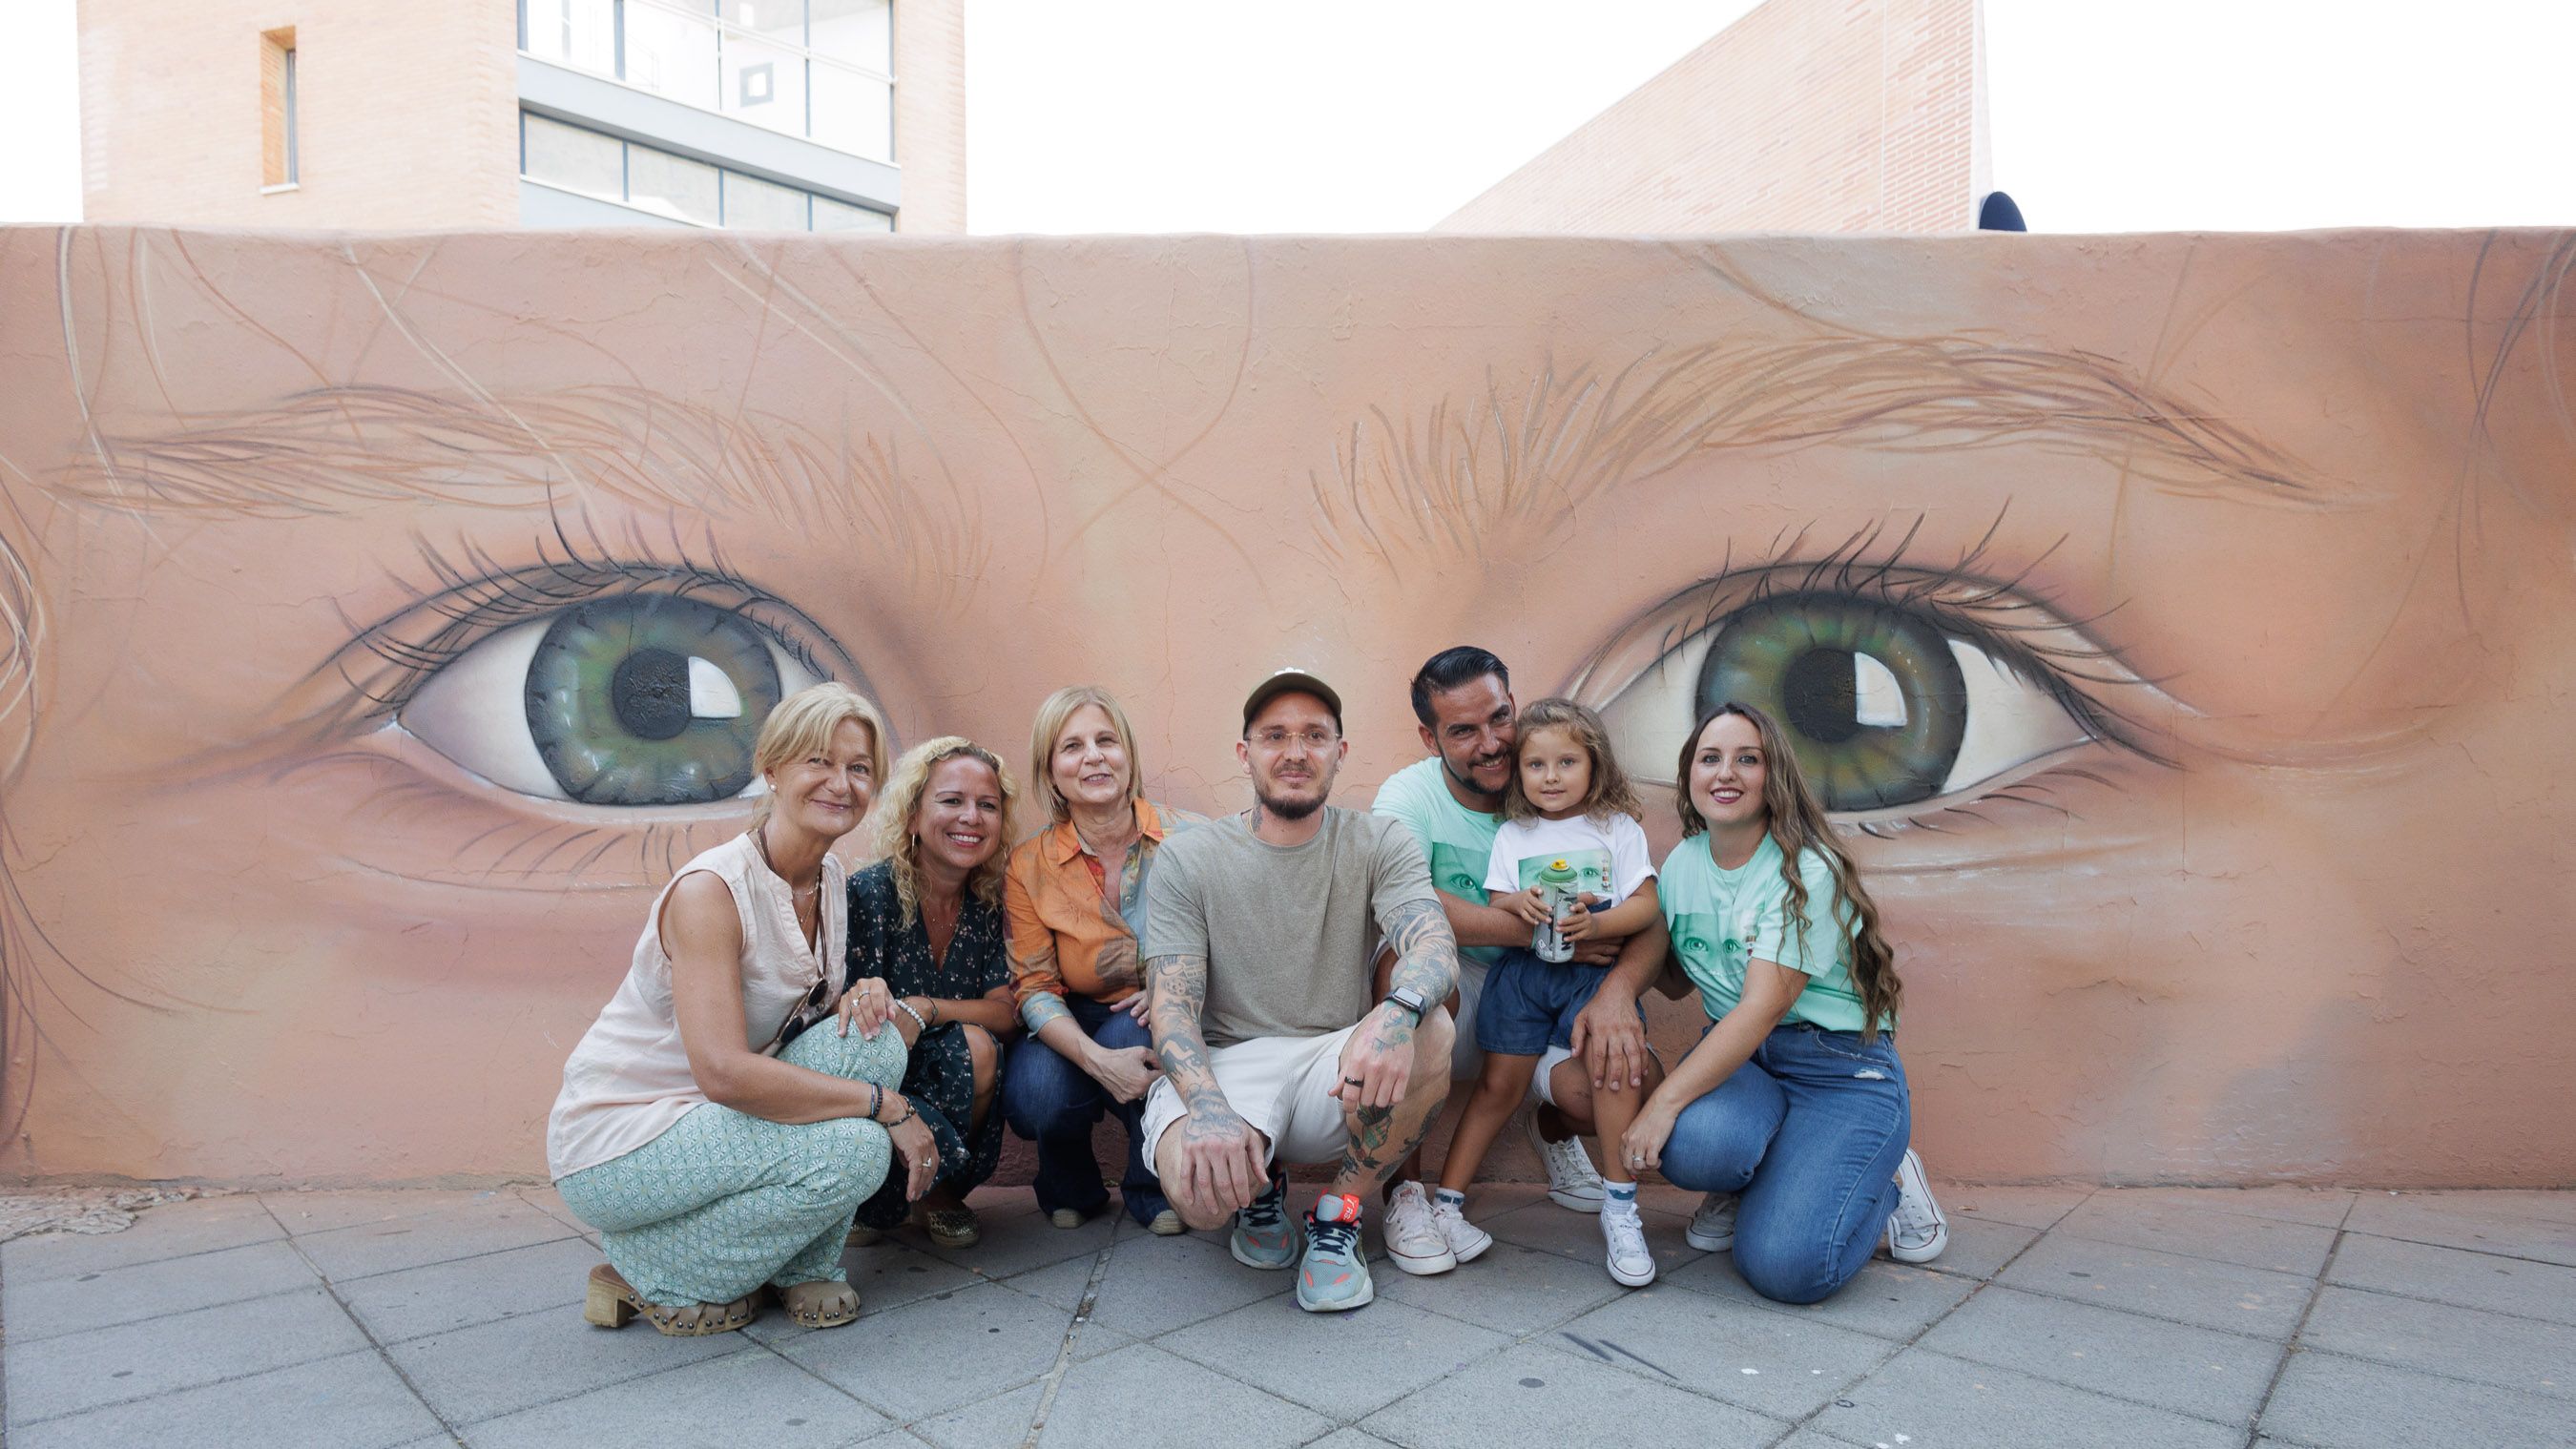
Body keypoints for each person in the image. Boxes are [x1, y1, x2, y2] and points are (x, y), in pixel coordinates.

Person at [548, 683, 939, 1336]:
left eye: (859, 767)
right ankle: (651, 1265)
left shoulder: (830, 878)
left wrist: (855, 993)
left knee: (876, 1036)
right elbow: (724, 1072)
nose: (840, 782)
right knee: (858, 1150)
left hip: (710, 1121)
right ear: (771, 766)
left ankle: (798, 1267)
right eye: (818, 760)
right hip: (621, 1139)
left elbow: (791, 1009)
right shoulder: (711, 890)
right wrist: (886, 1105)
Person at [1141, 671, 1463, 1313]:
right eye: (1275, 736)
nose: (1295, 752)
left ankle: (1338, 1214)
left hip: (1334, 1062)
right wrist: (1206, 1107)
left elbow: (1433, 946)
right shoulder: (1189, 856)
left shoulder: (1378, 840)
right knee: (1198, 1197)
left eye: (1315, 735)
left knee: (1435, 1027)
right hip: (1232, 1063)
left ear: (1340, 752)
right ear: (1245, 753)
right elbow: (1172, 1000)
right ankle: (1257, 1193)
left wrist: (1397, 1012)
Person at [1621, 702, 1948, 1306]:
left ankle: (1890, 1182)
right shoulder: (1683, 866)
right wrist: (1609, 979)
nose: (1727, 773)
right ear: (1688, 776)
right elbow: (1667, 976)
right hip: (1748, 1066)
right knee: (1694, 1149)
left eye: (1749, 759)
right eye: (1710, 758)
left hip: (1837, 1071)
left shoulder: (1807, 869)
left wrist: (1663, 1102)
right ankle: (1762, 1177)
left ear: (1776, 778)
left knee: (1788, 1270)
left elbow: (1761, 1009)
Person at [1372, 649, 1665, 1219]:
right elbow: (1404, 895)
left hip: (1565, 981)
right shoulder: (1410, 796)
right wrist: (1541, 936)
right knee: (1405, 974)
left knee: (1616, 1079)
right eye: (1462, 731)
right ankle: (1406, 1194)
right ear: (1430, 740)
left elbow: (1653, 914)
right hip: (1470, 972)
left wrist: (1617, 991)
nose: (1491, 744)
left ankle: (1554, 1130)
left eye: (1500, 718)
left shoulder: (1560, 793)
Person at [1433, 698, 1664, 1285]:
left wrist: (1598, 925)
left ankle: (1620, 1208)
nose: (1552, 777)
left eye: (1567, 762)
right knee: (1496, 1087)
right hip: (1525, 976)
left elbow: (1645, 904)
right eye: (1536, 765)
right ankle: (1447, 1205)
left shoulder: (1618, 828)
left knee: (1614, 1071)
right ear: (1519, 772)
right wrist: (1519, 905)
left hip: (1593, 975)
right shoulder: (1514, 832)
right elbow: (1496, 900)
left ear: (1595, 765)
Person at [1000, 685, 1201, 1233]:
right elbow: (1034, 987)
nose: (1093, 756)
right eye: (1072, 746)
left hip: (1158, 1011)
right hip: (1071, 1013)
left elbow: (1230, 942)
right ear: (1052, 772)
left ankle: (1149, 1185)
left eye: (1106, 740)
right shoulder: (1029, 864)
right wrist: (1092, 1059)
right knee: (1037, 1093)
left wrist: (1173, 989)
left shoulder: (1192, 838)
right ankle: (1069, 1186)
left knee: (1137, 1038)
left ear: (1128, 756)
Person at [841, 736, 1020, 1250]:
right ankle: (870, 1192)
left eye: (987, 805)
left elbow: (1006, 1012)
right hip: (877, 1069)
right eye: (951, 801)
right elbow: (852, 1021)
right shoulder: (871, 892)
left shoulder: (986, 904)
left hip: (948, 1066)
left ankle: (935, 1193)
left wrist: (924, 1009)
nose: (971, 816)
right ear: (914, 816)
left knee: (982, 1047)